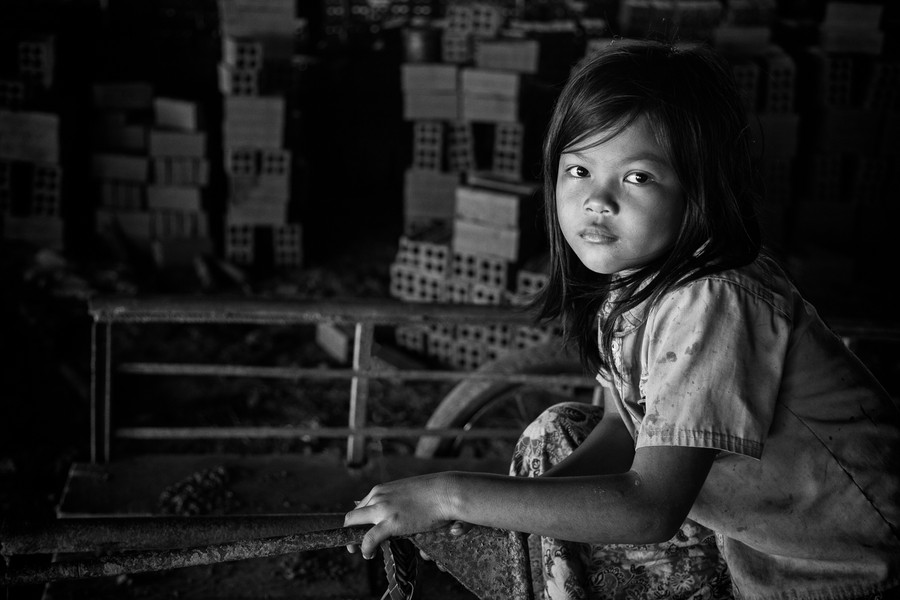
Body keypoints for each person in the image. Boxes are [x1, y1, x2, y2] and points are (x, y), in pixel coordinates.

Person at [345, 38, 900, 599]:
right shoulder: (634, 282)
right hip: (754, 541)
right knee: (560, 430)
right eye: (579, 169)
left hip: (849, 571)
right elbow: (618, 427)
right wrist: (514, 518)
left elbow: (650, 508)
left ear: (699, 191)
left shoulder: (711, 300)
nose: (597, 200)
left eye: (637, 177)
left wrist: (449, 495)